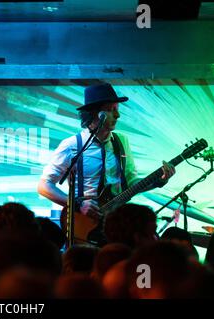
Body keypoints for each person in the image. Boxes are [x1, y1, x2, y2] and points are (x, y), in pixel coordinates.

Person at [37, 82, 175, 246]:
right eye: (111, 110)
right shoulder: (71, 145)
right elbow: (44, 186)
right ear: (96, 114)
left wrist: (159, 181)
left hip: (117, 225)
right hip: (84, 224)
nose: (118, 116)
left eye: (117, 110)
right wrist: (77, 205)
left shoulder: (122, 142)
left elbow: (131, 184)